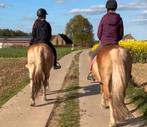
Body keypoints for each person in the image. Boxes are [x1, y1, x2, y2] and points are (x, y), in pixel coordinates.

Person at [87, 0, 124, 80]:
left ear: (107, 8)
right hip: (115, 44)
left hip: (104, 44)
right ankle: (127, 73)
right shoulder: (119, 19)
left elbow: (99, 33)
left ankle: (91, 73)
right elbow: (121, 34)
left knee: (92, 56)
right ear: (115, 8)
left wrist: (102, 38)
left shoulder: (104, 18)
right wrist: (116, 39)